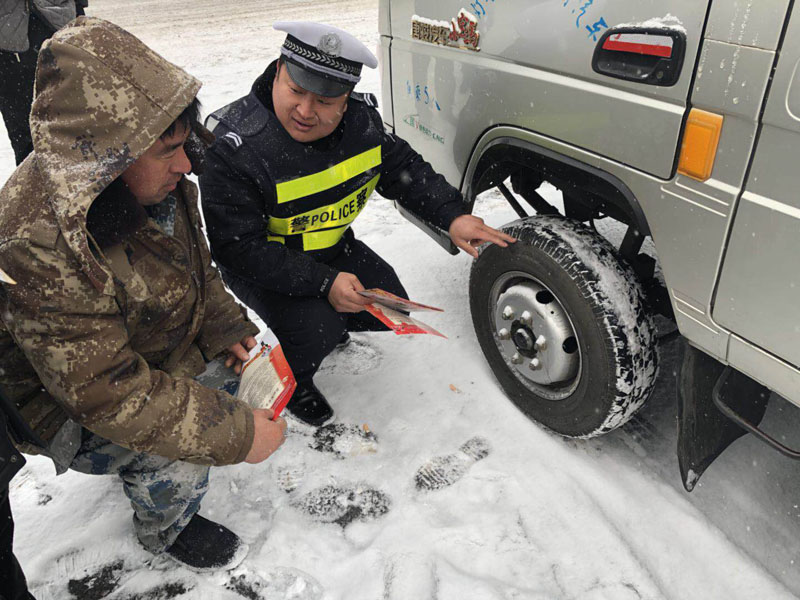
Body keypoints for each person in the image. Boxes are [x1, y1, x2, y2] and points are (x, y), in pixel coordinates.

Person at [0, 17, 287, 572]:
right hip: (65, 406)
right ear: (101, 159)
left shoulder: (150, 175)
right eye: (168, 151)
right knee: (193, 430)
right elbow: (107, 396)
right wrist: (234, 433)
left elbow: (197, 270)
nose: (185, 166)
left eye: (184, 144)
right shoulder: (36, 242)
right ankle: (167, 527)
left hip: (129, 344)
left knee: (234, 378)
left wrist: (229, 330)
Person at [200, 21, 515, 426]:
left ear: (346, 100)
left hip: (330, 247)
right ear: (278, 70)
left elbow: (404, 169)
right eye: (295, 91)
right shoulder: (235, 147)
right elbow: (237, 248)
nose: (305, 111)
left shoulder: (362, 125)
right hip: (261, 265)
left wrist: (452, 215)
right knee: (316, 328)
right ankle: (294, 380)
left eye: (326, 100)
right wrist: (323, 285)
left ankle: (328, 319)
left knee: (386, 303)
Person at [0, 0, 88, 165]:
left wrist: (79, 11)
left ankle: (83, 182)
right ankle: (36, 184)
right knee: (26, 133)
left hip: (57, 26)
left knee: (76, 120)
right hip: (9, 44)